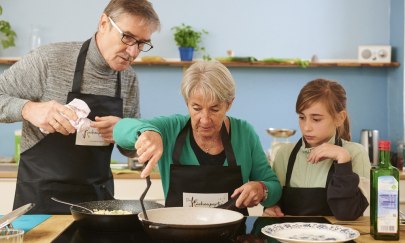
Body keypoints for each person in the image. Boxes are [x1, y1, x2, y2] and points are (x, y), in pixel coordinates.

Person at [0, 0, 160, 214]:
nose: (133, 52)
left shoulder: (128, 79)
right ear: (104, 23)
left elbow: (128, 149)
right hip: (39, 202)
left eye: (142, 43)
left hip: (97, 205)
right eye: (128, 37)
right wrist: (29, 109)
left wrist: (129, 134)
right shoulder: (49, 60)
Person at [113, 61, 282, 214]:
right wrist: (148, 132)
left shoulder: (245, 133)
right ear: (187, 103)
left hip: (233, 236)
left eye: (215, 109)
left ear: (229, 104)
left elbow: (273, 187)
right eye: (196, 108)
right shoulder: (171, 129)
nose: (205, 119)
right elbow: (120, 129)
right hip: (177, 234)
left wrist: (261, 189)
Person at [263, 79, 370, 220]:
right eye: (302, 117)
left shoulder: (355, 153)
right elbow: (275, 203)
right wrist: (271, 208)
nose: (306, 127)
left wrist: (343, 159)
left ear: (339, 118)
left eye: (316, 119)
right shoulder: (284, 154)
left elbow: (349, 213)